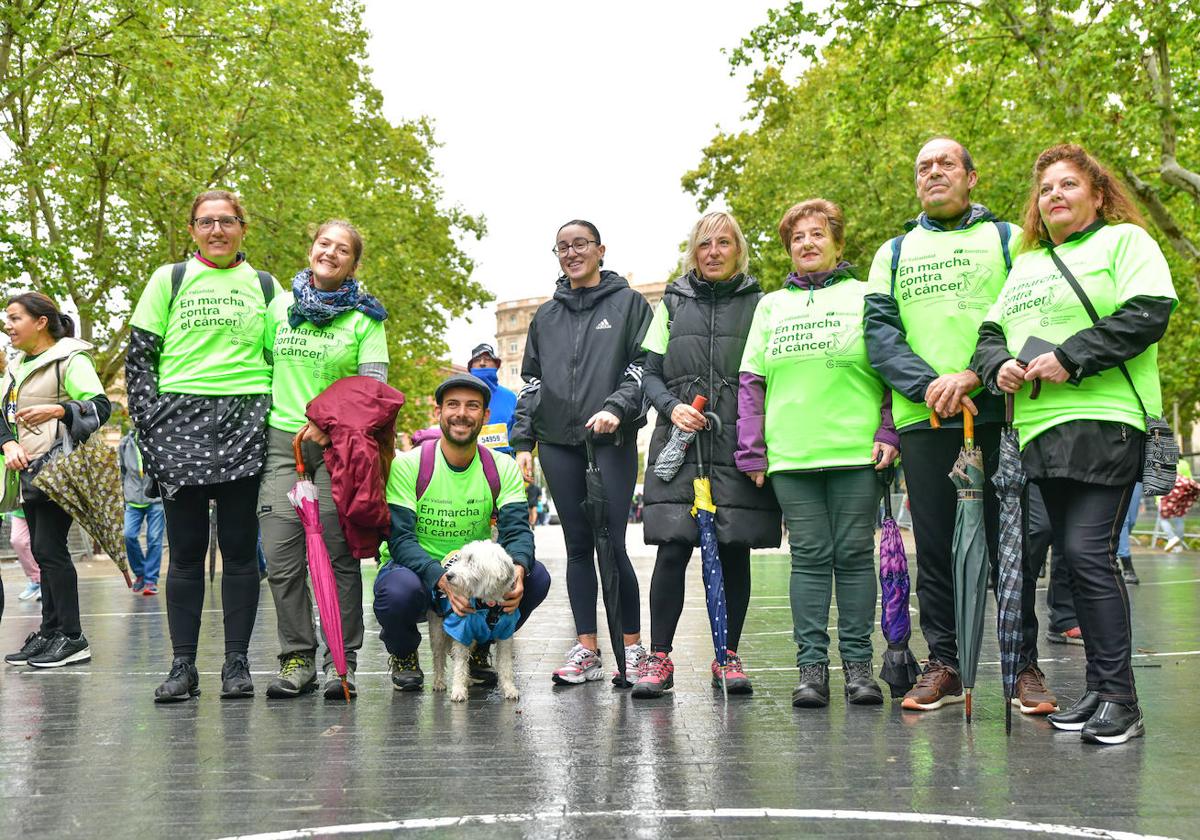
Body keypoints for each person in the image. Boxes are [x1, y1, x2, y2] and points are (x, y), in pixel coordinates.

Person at [972, 143, 1176, 744]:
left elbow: (1148, 313)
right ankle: (1099, 688)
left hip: (1108, 422)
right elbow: (989, 335)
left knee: (1087, 555)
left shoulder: (1126, 244)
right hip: (1040, 434)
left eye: (1067, 185)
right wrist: (999, 367)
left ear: (1096, 193)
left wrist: (1069, 357)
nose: (1054, 195)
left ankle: (1122, 699)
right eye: (1045, 189)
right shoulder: (1027, 266)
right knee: (1075, 560)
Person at [864, 136, 1057, 715]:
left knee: (1010, 546)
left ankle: (1022, 665)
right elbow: (879, 335)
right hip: (925, 418)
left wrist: (976, 374)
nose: (934, 172)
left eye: (946, 163)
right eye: (923, 166)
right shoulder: (893, 252)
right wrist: (930, 385)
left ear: (972, 177)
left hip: (998, 407)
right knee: (939, 547)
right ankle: (944, 661)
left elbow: (1030, 313)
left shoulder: (1009, 240)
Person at [737, 199, 896, 708]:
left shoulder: (868, 295)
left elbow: (893, 366)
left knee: (852, 557)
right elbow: (751, 382)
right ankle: (811, 669)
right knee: (808, 557)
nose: (807, 243)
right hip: (793, 456)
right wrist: (752, 450)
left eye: (817, 234)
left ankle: (858, 669)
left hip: (857, 450)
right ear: (789, 248)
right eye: (797, 237)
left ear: (837, 242)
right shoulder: (770, 306)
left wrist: (890, 431)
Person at [127, 189, 282, 702]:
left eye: (227, 221)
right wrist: (150, 427)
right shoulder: (167, 278)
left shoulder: (264, 286)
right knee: (187, 556)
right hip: (177, 425)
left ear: (243, 227)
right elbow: (140, 361)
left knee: (240, 554)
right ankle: (183, 667)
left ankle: (236, 665)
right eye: (205, 222)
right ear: (192, 230)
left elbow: (282, 358)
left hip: (246, 418)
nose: (217, 230)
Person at [634, 211, 780, 699]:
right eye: (703, 245)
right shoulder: (671, 303)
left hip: (738, 443)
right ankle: (659, 657)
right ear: (692, 253)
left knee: (734, 549)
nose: (713, 252)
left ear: (738, 249)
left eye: (723, 243)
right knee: (672, 548)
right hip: (680, 444)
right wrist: (671, 407)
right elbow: (649, 373)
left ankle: (728, 655)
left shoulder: (763, 304)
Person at [512, 219, 653, 685]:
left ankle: (632, 650)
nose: (571, 253)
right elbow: (532, 382)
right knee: (576, 548)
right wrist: (523, 442)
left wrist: (616, 407)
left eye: (580, 245)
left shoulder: (629, 304)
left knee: (611, 544)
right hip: (558, 443)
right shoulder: (546, 317)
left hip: (609, 441)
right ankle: (588, 650)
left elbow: (643, 367)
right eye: (562, 247)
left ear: (600, 250)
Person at [258, 219, 388, 700]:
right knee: (281, 559)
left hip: (338, 449)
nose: (330, 253)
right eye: (323, 244)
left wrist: (328, 419)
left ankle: (342, 660)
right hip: (279, 447)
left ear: (354, 263)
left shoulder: (366, 319)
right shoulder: (279, 308)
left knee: (338, 558)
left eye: (342, 250)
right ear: (311, 248)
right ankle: (296, 657)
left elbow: (375, 392)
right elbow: (262, 369)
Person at [373, 374, 551, 691]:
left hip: (472, 574)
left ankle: (480, 645)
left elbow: (517, 531)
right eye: (452, 404)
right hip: (416, 571)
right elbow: (400, 539)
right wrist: (440, 577)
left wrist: (520, 569)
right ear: (438, 412)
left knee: (536, 578)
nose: (461, 413)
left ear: (484, 416)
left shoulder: (502, 466)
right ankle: (403, 654)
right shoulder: (409, 465)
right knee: (397, 593)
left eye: (472, 406)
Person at [2, 292, 110, 667]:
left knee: (49, 549)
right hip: (27, 471)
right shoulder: (17, 364)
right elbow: (4, 413)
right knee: (42, 551)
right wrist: (8, 444)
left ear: (40, 322)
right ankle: (50, 633)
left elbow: (100, 407)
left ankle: (72, 636)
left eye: (15, 319)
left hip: (57, 468)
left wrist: (60, 408)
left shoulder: (70, 358)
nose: (8, 326)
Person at [119, 430, 164, 596]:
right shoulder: (125, 443)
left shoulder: (158, 438)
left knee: (154, 539)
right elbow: (122, 470)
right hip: (133, 498)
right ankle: (140, 574)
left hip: (155, 499)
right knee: (128, 535)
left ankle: (151, 580)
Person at [468, 343, 517, 455]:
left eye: (487, 359)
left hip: (504, 464)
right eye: (477, 359)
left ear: (496, 365)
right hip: (469, 463)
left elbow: (520, 434)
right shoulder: (462, 398)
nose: (482, 363)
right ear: (470, 367)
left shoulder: (510, 397)